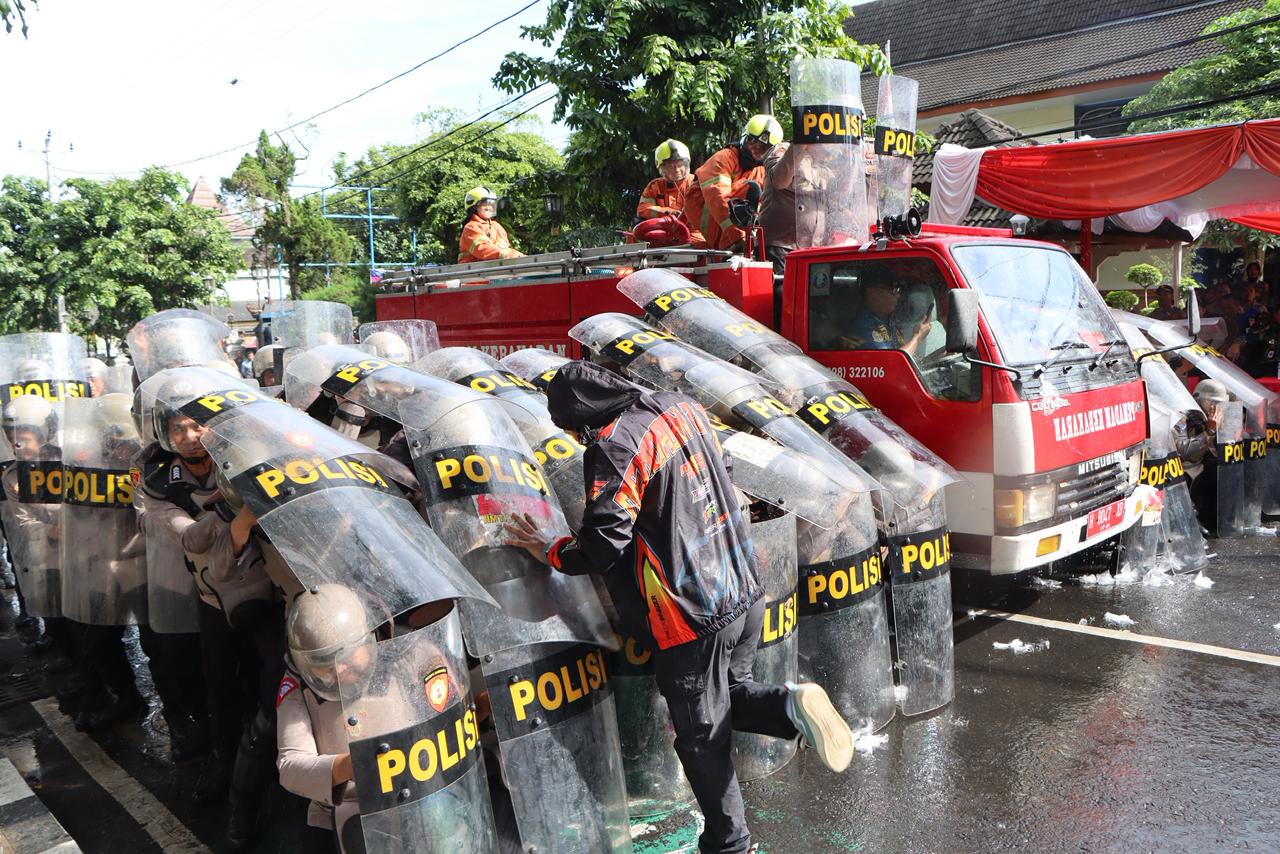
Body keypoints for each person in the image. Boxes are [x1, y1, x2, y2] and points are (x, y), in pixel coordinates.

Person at [505, 360, 853, 854]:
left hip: (689, 615)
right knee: (728, 693)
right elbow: (723, 475)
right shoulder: (679, 407)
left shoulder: (615, 446)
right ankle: (788, 706)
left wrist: (552, 548)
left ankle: (729, 844)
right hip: (741, 587)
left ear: (581, 422)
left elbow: (605, 544)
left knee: (700, 736)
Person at [139, 391, 283, 849]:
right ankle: (224, 762)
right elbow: (194, 540)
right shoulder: (158, 479)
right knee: (218, 686)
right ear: (164, 433)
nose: (189, 438)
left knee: (272, 685)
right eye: (177, 429)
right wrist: (229, 501)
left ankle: (275, 771)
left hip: (267, 588)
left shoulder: (243, 452)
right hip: (213, 595)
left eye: (197, 426)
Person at [683, 115, 782, 251]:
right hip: (712, 220)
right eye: (752, 142)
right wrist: (738, 238)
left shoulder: (761, 170)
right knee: (751, 189)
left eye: (763, 148)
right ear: (744, 138)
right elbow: (717, 198)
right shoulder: (724, 158)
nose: (755, 150)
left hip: (727, 229)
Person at [458, 187, 523, 264]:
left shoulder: (496, 226)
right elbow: (484, 249)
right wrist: (507, 255)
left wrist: (520, 256)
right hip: (472, 271)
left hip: (493, 268)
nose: (489, 208)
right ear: (474, 207)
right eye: (485, 204)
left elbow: (505, 248)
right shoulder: (471, 227)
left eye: (491, 204)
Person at [637, 139, 693, 221]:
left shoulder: (695, 183)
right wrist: (668, 213)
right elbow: (643, 209)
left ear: (686, 164)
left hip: (693, 232)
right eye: (671, 166)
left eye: (680, 165)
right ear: (661, 168)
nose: (677, 170)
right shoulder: (655, 186)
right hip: (663, 230)